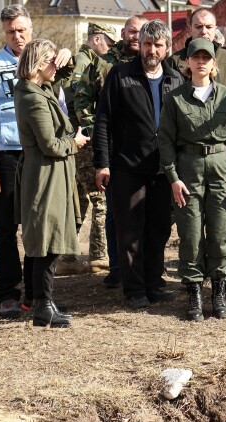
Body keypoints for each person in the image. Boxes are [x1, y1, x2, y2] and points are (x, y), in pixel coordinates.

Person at [0, 4, 73, 318]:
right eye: (10, 31)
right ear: (2, 33)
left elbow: (59, 105)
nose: (17, 36)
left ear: (31, 29)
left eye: (22, 30)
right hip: (6, 154)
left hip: (40, 154)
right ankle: (8, 293)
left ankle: (35, 295)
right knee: (6, 227)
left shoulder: (46, 61)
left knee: (38, 226)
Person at [93, 20, 184, 310]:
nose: (152, 50)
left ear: (167, 48)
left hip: (162, 169)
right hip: (126, 167)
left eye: (158, 45)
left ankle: (154, 284)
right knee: (130, 230)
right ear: (139, 45)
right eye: (147, 44)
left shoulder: (175, 79)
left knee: (158, 228)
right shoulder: (120, 75)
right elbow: (103, 120)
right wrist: (102, 163)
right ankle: (133, 290)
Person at [159, 38, 226, 321]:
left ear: (213, 64)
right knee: (191, 234)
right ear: (187, 63)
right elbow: (166, 141)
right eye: (195, 57)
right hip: (188, 169)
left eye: (206, 57)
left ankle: (218, 290)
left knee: (221, 233)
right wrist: (173, 177)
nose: (200, 62)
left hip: (220, 167)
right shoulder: (174, 99)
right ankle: (194, 291)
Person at [171, 8, 226, 293]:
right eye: (198, 26)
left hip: (220, 154)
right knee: (190, 224)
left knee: (223, 219)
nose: (203, 31)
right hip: (188, 156)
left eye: (208, 26)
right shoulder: (176, 61)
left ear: (215, 27)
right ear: (189, 29)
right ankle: (192, 280)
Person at [13, 39, 89, 327]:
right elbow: (50, 145)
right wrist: (75, 142)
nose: (55, 67)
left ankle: (38, 300)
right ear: (38, 63)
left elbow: (64, 79)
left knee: (41, 239)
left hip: (49, 173)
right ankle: (43, 305)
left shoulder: (38, 89)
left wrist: (66, 59)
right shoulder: (33, 98)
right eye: (51, 61)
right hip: (46, 174)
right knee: (47, 240)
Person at [75, 15, 147, 289]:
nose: (134, 36)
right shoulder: (103, 62)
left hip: (141, 148)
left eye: (139, 32)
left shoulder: (151, 61)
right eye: (130, 31)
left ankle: (142, 266)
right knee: (114, 210)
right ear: (123, 33)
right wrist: (95, 129)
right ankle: (117, 267)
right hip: (112, 148)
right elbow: (81, 98)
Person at [56, 21, 117, 277]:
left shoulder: (84, 58)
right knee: (99, 200)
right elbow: (79, 103)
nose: (112, 48)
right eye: (109, 42)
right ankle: (98, 256)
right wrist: (94, 133)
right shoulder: (83, 60)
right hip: (84, 139)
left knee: (79, 200)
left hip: (77, 137)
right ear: (96, 39)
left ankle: (68, 257)